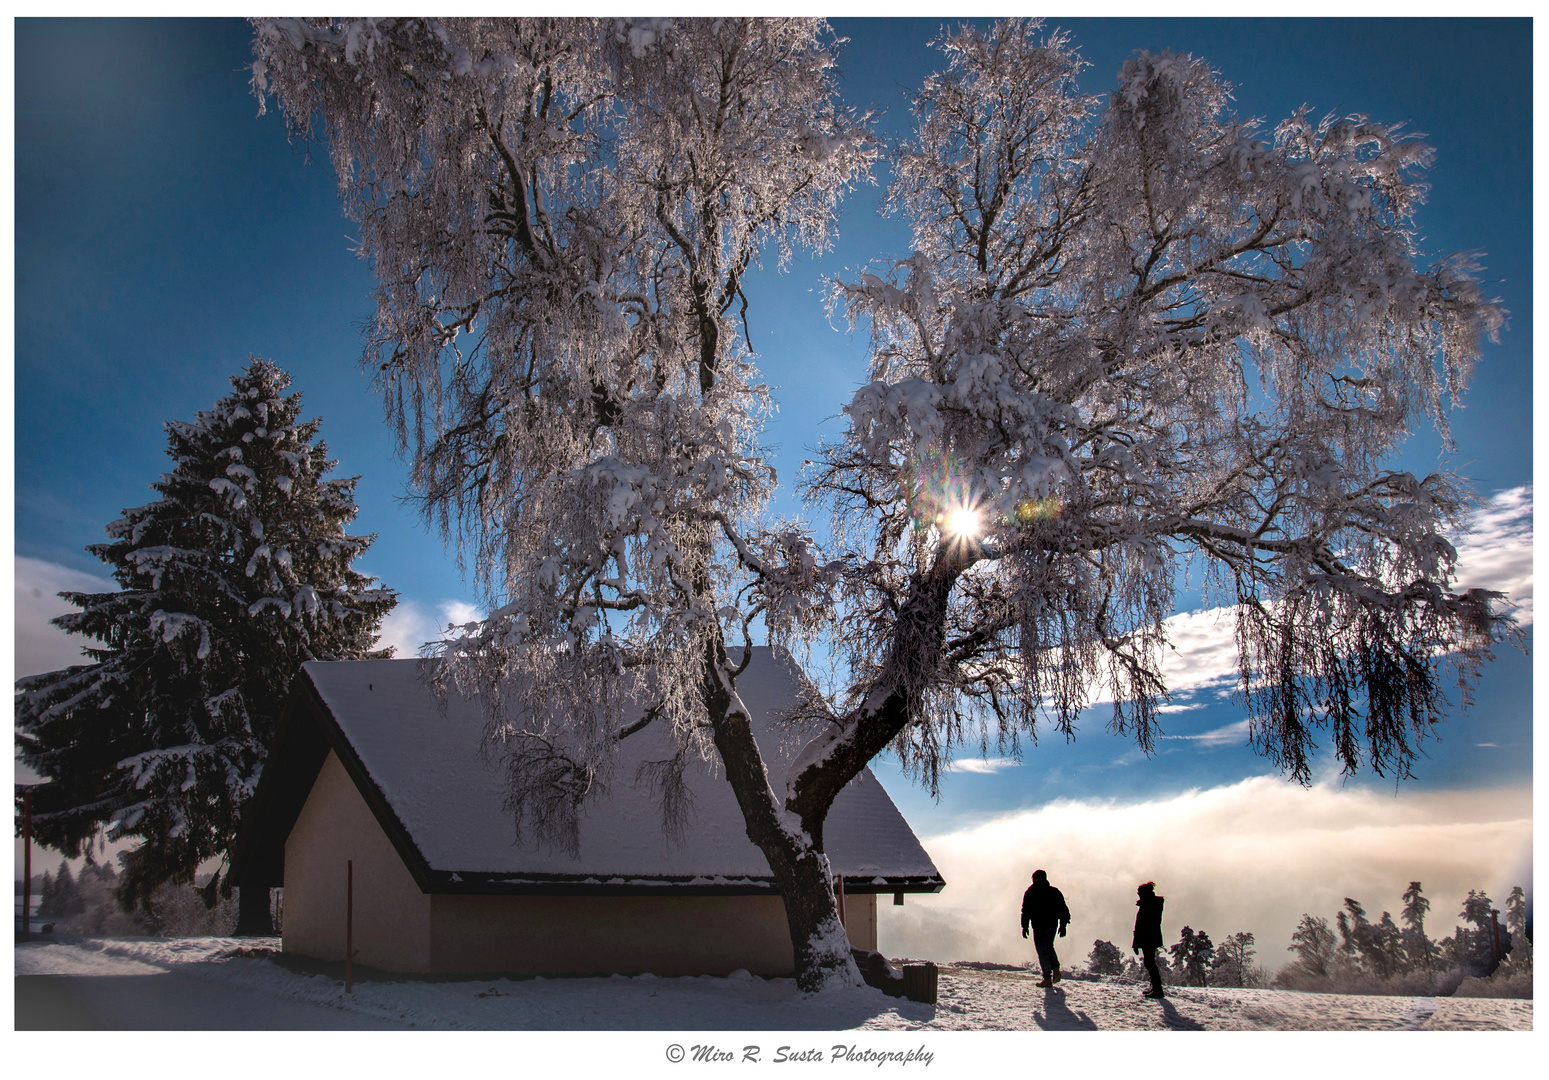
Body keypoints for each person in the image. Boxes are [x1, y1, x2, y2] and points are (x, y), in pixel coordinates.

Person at [1020, 869, 1070, 987]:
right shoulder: (1054, 892)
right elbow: (1063, 910)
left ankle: (1047, 978)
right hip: (1052, 924)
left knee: (1042, 951)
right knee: (1049, 946)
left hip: (1038, 926)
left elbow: (1025, 910)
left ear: (1035, 879)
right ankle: (1056, 968)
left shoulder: (1031, 892)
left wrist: (1025, 926)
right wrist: (1063, 926)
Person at [1132, 881, 1165, 998]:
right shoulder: (1151, 903)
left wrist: (1136, 943)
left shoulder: (1148, 904)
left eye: (1139, 892)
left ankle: (1158, 989)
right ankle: (1155, 988)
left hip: (1148, 937)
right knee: (1149, 962)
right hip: (1151, 936)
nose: (1138, 894)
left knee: (1149, 962)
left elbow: (1141, 925)